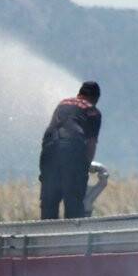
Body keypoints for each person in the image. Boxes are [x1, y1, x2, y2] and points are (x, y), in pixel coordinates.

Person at [39, 81, 102, 219]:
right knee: (73, 200)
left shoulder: (63, 103)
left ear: (79, 93)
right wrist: (85, 166)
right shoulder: (93, 111)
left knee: (49, 200)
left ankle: (47, 237)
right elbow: (91, 143)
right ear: (96, 98)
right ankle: (73, 237)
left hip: (49, 147)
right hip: (72, 147)